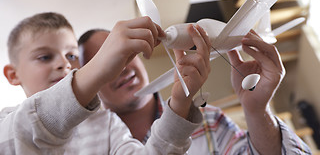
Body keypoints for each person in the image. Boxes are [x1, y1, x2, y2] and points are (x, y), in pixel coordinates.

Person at [0, 12, 212, 154]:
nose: (64, 64)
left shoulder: (107, 124)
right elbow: (23, 133)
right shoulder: (5, 122)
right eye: (45, 57)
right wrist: (96, 69)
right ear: (12, 74)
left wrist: (178, 105)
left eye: (72, 56)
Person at [78, 28, 312, 154]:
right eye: (104, 63)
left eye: (124, 54)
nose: (122, 68)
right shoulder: (94, 148)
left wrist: (257, 110)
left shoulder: (207, 121)